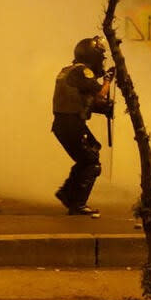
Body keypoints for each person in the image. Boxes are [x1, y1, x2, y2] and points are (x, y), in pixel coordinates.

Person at [52, 37, 114, 216]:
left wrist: (102, 109)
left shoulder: (69, 70)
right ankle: (77, 203)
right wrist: (108, 80)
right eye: (100, 57)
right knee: (92, 162)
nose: (102, 61)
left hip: (65, 123)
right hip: (71, 124)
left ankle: (67, 193)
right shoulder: (83, 71)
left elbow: (82, 100)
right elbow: (100, 95)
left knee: (91, 151)